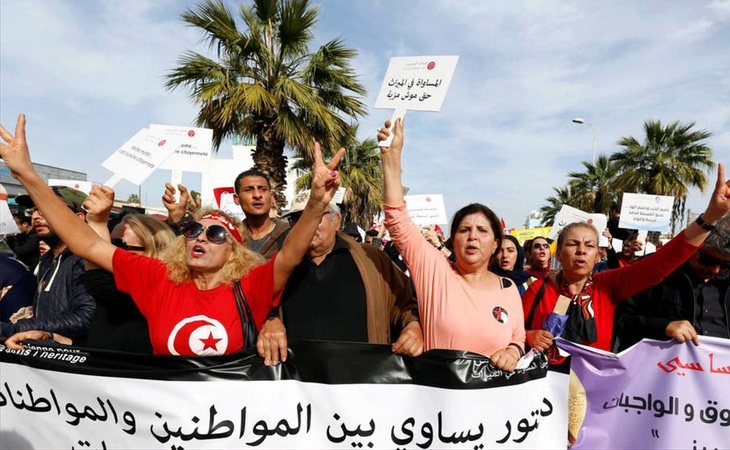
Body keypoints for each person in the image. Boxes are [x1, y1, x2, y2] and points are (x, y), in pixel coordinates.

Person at [0, 114, 344, 356]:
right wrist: (28, 175)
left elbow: (290, 254)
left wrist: (315, 204)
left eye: (216, 234)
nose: (201, 238)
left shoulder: (250, 285)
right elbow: (87, 243)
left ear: (234, 253)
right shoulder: (159, 279)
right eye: (193, 230)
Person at [522, 167, 730, 359]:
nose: (581, 250)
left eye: (590, 245)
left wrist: (710, 217)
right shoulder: (538, 289)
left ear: (598, 255)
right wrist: (529, 336)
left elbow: (661, 262)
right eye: (573, 244)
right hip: (544, 387)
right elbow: (509, 334)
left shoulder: (608, 285)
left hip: (593, 391)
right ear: (557, 253)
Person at [377, 119, 524, 372]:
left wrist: (512, 352)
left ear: (495, 243)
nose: (472, 237)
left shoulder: (508, 288)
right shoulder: (435, 271)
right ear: (452, 239)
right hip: (438, 401)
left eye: (482, 231)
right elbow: (397, 220)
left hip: (492, 405)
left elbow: (518, 338)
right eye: (464, 230)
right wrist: (392, 159)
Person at [256, 194, 423, 366]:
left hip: (362, 378)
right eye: (297, 220)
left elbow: (406, 304)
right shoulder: (280, 265)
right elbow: (255, 304)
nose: (306, 225)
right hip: (300, 383)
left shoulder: (372, 259)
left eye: (315, 217)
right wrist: (269, 321)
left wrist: (414, 327)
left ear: (336, 221)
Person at [613, 215, 730, 351]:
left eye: (726, 264)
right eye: (708, 260)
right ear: (694, 246)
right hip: (660, 366)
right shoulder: (652, 270)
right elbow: (620, 319)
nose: (716, 270)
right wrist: (663, 327)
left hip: (719, 369)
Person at [0, 185, 96, 340]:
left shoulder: (86, 261)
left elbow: (84, 318)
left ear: (78, 217)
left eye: (46, 208)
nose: (36, 216)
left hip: (74, 360)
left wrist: (14, 328)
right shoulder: (46, 261)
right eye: (34, 210)